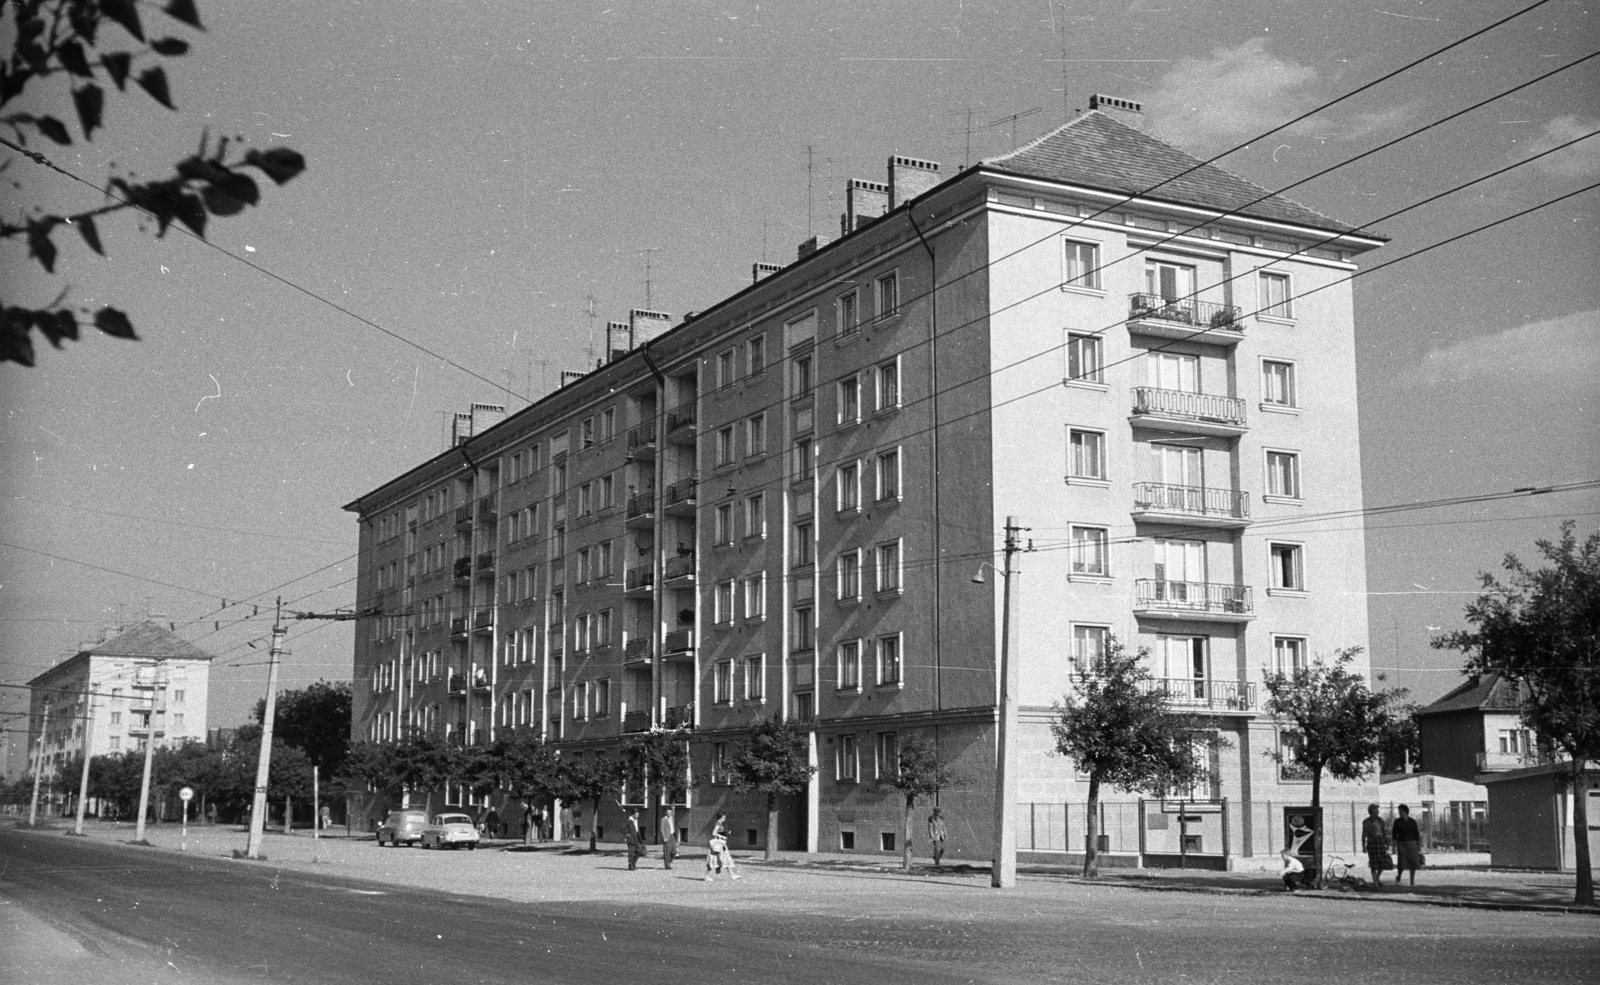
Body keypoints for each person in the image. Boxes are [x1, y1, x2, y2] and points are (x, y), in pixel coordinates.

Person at [1280, 815, 1315, 891]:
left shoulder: (1291, 860)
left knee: (1289, 878)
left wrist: (1282, 872)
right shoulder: (1289, 859)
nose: (1282, 857)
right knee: (1286, 877)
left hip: (1299, 873)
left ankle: (1295, 888)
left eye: (1283, 855)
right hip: (1297, 872)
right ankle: (1291, 888)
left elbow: (1289, 867)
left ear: (1286, 855)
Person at [1392, 803, 1423, 886]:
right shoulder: (1397, 822)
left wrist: (1418, 846)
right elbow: (1394, 835)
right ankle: (1399, 877)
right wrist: (1394, 847)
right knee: (1401, 862)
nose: (1399, 812)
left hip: (1412, 844)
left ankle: (1412, 881)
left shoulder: (1412, 822)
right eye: (1399, 811)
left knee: (1413, 862)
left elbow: (1417, 834)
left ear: (1405, 812)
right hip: (1401, 844)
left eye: (1401, 811)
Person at [1361, 803, 1390, 887]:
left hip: (1380, 843)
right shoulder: (1366, 822)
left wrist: (1386, 842)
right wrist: (1363, 845)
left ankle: (1377, 877)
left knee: (1383, 863)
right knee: (1373, 864)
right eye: (1376, 810)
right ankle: (1375, 882)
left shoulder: (1380, 820)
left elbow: (1383, 832)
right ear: (1372, 811)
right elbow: (1364, 834)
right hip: (1372, 844)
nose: (1378, 812)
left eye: (1378, 810)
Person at [705, 812, 739, 881]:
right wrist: (721, 836)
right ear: (721, 817)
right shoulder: (718, 824)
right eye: (724, 817)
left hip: (720, 845)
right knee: (714, 859)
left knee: (724, 858)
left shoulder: (719, 824)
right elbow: (714, 833)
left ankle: (732, 875)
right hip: (718, 845)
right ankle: (707, 876)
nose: (725, 819)